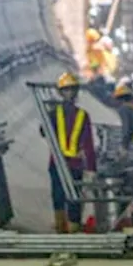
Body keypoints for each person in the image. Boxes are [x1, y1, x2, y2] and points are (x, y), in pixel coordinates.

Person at [41, 72, 97, 233]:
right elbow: (89, 145)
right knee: (73, 198)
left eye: (69, 90)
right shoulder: (82, 115)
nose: (69, 93)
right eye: (68, 90)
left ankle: (62, 228)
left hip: (58, 163)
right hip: (72, 164)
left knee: (60, 196)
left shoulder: (54, 113)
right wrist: (91, 168)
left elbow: (43, 132)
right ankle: (72, 228)